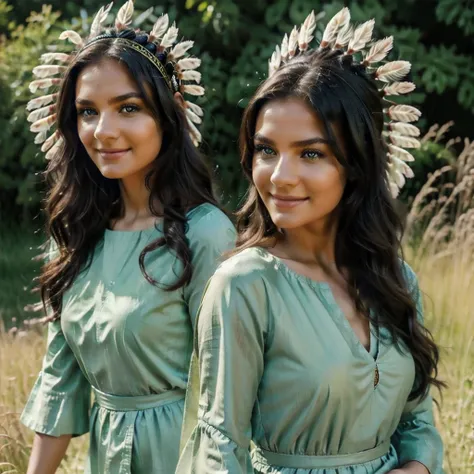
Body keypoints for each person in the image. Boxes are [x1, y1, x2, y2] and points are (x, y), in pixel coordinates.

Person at [177, 7, 445, 474]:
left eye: (311, 153)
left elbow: (417, 422)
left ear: (357, 163)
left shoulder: (395, 279)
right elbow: (220, 450)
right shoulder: (244, 286)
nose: (279, 176)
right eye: (266, 150)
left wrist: (418, 468)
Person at [20, 2, 235, 473]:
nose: (104, 131)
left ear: (169, 114)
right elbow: (61, 378)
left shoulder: (205, 234)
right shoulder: (75, 237)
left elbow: (229, 392)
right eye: (87, 112)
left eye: (128, 108)